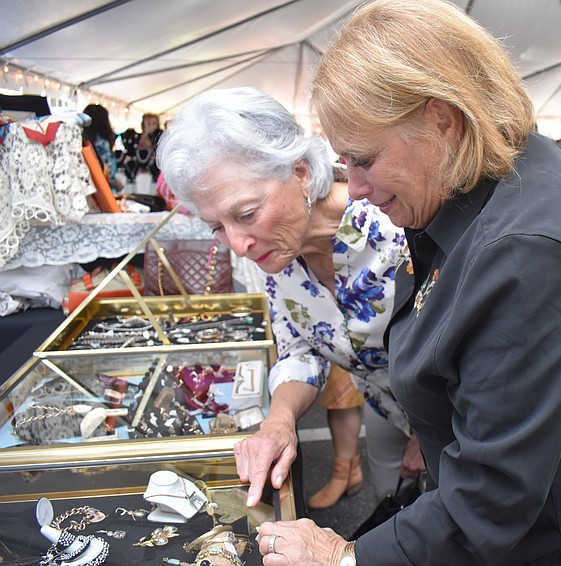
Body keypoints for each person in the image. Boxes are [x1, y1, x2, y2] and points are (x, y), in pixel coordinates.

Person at [256, 1, 561, 564]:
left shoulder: (527, 248)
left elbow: (495, 492)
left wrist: (340, 558)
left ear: (441, 119)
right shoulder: (484, 183)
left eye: (364, 160)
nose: (353, 188)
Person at [156, 87, 423, 511]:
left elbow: (477, 349)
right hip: (387, 407)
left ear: (300, 173)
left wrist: (439, 434)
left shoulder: (394, 225)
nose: (237, 245)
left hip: (461, 417)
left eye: (245, 214)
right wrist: (278, 422)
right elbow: (300, 348)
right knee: (393, 505)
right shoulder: (282, 261)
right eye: (216, 228)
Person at [82, 103, 122, 193]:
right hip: (103, 193)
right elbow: (108, 172)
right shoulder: (102, 144)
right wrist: (116, 182)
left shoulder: (82, 141)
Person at [121, 112, 163, 193]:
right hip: (138, 172)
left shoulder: (158, 137)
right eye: (148, 124)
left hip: (153, 173)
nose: (151, 126)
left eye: (154, 123)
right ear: (143, 124)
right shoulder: (136, 137)